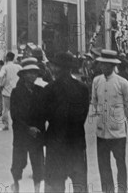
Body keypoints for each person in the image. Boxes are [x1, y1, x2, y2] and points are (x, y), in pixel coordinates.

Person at [40, 52, 89, 193]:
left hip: (55, 143)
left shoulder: (49, 89)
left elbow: (43, 115)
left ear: (58, 68)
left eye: (54, 66)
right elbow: (83, 116)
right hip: (76, 142)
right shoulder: (83, 89)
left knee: (54, 186)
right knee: (79, 185)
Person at [91, 50, 128, 193]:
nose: (103, 67)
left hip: (118, 133)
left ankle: (122, 190)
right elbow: (94, 102)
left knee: (120, 164)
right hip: (101, 132)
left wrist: (119, 118)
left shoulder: (122, 83)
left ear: (113, 65)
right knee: (103, 166)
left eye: (106, 64)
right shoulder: (97, 81)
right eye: (102, 64)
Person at [9, 58, 45, 193]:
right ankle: (16, 186)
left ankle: (37, 188)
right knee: (18, 164)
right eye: (29, 73)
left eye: (35, 73)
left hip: (37, 134)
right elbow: (15, 115)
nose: (32, 75)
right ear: (23, 75)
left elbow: (45, 112)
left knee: (38, 165)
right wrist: (27, 128)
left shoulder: (41, 91)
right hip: (21, 133)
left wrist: (38, 128)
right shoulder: (16, 92)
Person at [0, 52, 22, 130]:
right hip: (18, 91)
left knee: (5, 109)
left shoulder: (5, 67)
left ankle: (6, 125)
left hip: (6, 91)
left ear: (7, 58)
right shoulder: (18, 67)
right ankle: (19, 123)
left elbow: (0, 76)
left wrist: (0, 85)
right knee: (18, 108)